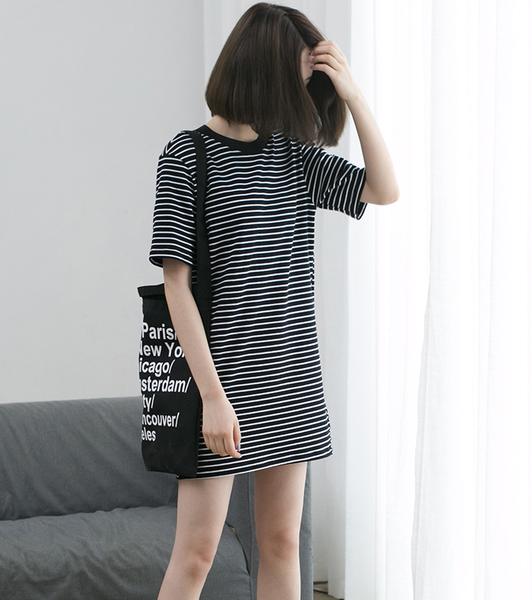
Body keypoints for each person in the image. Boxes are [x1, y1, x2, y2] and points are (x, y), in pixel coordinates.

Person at [150, 3, 398, 599]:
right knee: (197, 554)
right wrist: (213, 400)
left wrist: (354, 95)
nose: (303, 92)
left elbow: (384, 189)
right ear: (264, 68)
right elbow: (176, 286)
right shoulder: (188, 154)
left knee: (283, 543)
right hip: (220, 384)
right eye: (298, 75)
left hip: (292, 379)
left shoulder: (294, 156)